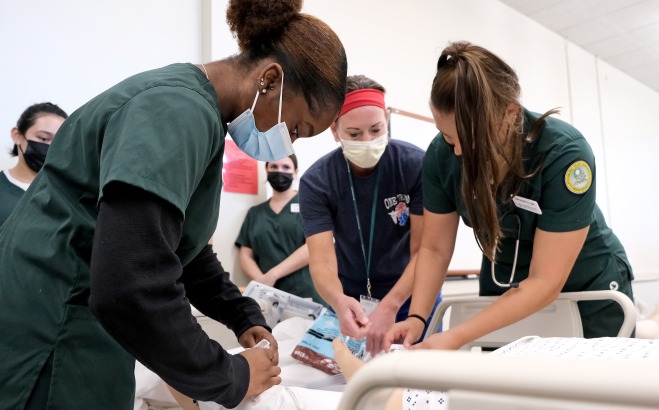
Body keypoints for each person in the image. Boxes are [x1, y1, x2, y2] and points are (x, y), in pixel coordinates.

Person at [0, 0, 347, 408]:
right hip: (54, 330)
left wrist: (240, 314)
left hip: (73, 319)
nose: (289, 142)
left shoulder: (200, 116)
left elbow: (180, 246)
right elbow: (132, 282)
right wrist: (231, 375)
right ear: (270, 79)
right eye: (297, 128)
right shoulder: (178, 110)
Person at [384, 41, 634, 353]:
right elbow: (434, 249)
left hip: (585, 289)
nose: (458, 152)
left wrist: (456, 336)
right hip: (506, 286)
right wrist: (418, 318)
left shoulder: (564, 153)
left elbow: (545, 281)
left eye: (471, 140)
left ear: (510, 114)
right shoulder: (440, 156)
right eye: (449, 137)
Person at [299, 75, 440, 357]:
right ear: (334, 131)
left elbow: (425, 251)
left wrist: (391, 306)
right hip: (351, 300)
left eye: (376, 130)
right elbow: (322, 261)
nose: (367, 141)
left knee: (416, 382)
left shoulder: (414, 165)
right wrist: (338, 301)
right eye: (354, 134)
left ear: (387, 120)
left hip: (411, 294)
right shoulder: (317, 182)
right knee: (346, 381)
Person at [236, 154, 325, 305]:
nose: (279, 171)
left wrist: (273, 275)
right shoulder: (255, 213)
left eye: (286, 167)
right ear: (267, 170)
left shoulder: (310, 205)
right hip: (268, 298)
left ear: (296, 172)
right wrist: (261, 282)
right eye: (274, 167)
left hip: (305, 294)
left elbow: (313, 247)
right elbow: (246, 254)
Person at [0, 102, 67, 226]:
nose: (51, 147)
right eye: (43, 138)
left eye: (59, 140)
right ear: (18, 135)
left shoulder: (69, 193)